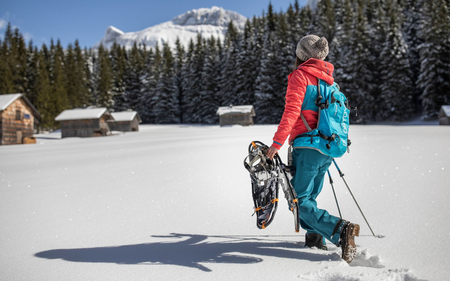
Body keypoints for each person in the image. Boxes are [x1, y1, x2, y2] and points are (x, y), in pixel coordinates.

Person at [265, 35, 360, 263]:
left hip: (307, 147)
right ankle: (316, 240)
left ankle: (341, 230)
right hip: (327, 147)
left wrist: (276, 144)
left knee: (298, 200)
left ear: (301, 55)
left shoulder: (300, 76)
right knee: (309, 198)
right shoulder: (329, 81)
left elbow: (291, 112)